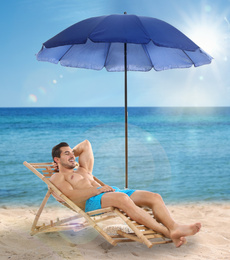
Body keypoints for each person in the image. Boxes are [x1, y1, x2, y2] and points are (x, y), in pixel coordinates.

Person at [50, 140, 201, 248]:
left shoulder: (83, 169)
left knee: (154, 197)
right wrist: (98, 190)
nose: (72, 156)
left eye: (72, 153)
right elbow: (70, 196)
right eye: (66, 153)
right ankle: (167, 233)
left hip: (111, 193)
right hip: (92, 202)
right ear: (56, 159)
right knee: (122, 198)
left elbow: (86, 144)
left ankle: (174, 228)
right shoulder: (58, 177)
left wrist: (70, 155)